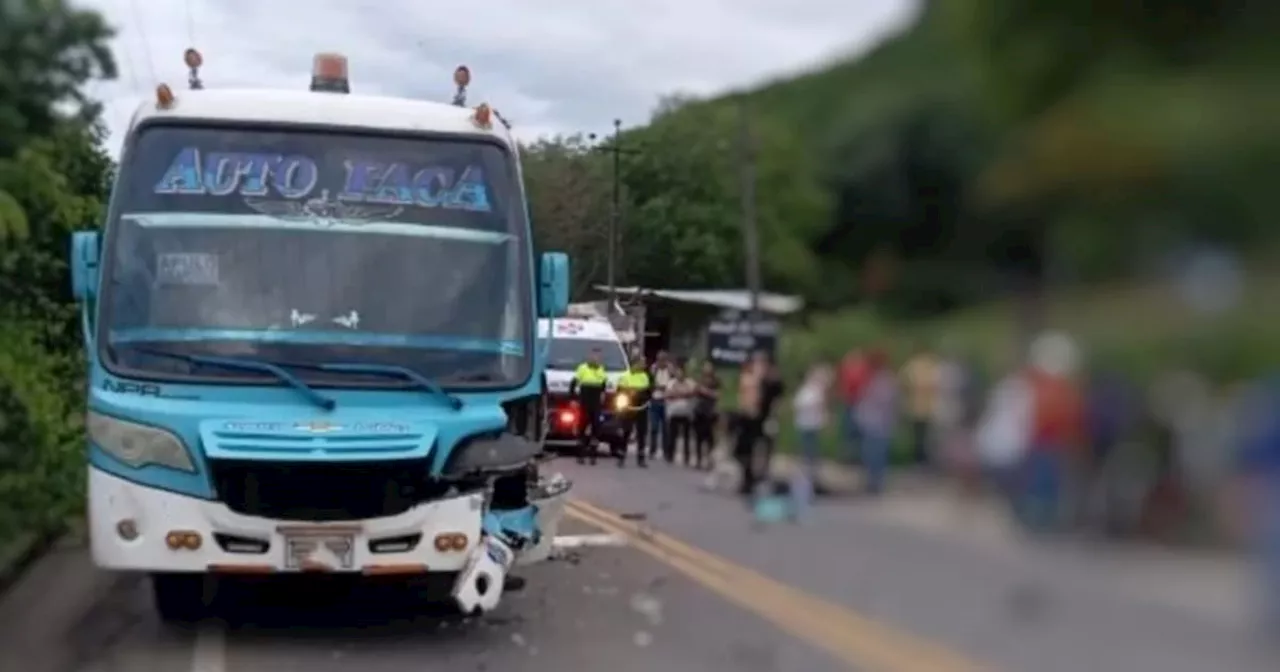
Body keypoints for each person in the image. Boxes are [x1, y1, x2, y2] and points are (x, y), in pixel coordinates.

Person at [856, 349, 898, 495]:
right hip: (875, 422)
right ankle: (873, 482)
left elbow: (885, 401)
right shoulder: (880, 379)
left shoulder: (881, 380)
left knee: (875, 453)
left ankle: (875, 482)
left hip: (877, 422)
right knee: (873, 453)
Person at [793, 362, 834, 488]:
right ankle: (810, 475)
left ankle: (811, 476)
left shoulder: (814, 392)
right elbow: (798, 404)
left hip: (811, 425)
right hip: (806, 425)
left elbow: (817, 407)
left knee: (810, 451)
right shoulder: (808, 391)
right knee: (809, 451)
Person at [901, 344, 941, 467]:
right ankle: (926, 459)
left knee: (917, 435)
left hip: (915, 407)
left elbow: (903, 381)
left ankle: (918, 458)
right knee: (928, 435)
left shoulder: (911, 365)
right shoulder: (932, 364)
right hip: (929, 407)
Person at [568, 346, 608, 465]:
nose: (596, 358)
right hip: (585, 400)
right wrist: (573, 398)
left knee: (596, 427)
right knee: (582, 427)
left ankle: (593, 455)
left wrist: (603, 394)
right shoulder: (582, 368)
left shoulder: (601, 369)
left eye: (598, 356)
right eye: (594, 355)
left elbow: (603, 384)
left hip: (596, 402)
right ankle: (580, 454)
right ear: (589, 357)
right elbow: (573, 384)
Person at [616, 355, 652, 468]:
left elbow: (647, 391)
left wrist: (636, 392)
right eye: (642, 363)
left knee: (642, 433)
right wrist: (631, 392)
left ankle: (641, 458)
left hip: (642, 408)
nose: (644, 365)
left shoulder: (645, 376)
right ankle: (621, 457)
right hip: (628, 408)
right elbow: (620, 391)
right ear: (635, 364)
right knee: (626, 432)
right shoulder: (625, 376)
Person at [837, 348, 870, 463]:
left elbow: (851, 386)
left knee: (854, 432)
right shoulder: (859, 369)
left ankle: (855, 457)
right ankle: (853, 457)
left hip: (857, 403)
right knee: (851, 432)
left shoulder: (858, 370)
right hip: (853, 403)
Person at [664, 365, 697, 465]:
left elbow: (692, 392)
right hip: (674, 412)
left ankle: (687, 457)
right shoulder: (671, 383)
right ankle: (670, 455)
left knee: (687, 436)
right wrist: (682, 393)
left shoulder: (690, 383)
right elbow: (668, 394)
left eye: (681, 372)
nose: (680, 374)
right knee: (672, 435)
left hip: (686, 413)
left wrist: (677, 393)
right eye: (678, 372)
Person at [693, 361, 721, 470]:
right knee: (698, 437)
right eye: (705, 367)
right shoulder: (700, 380)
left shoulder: (716, 381)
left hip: (710, 412)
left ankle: (710, 461)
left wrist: (706, 391)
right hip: (699, 411)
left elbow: (717, 395)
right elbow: (695, 391)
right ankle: (699, 460)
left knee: (710, 439)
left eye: (708, 367)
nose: (706, 369)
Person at [648, 351, 676, 460]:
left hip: (666, 401)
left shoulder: (670, 369)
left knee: (666, 429)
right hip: (655, 400)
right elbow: (651, 383)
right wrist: (656, 387)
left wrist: (664, 388)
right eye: (659, 360)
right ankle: (652, 450)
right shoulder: (653, 369)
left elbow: (672, 383)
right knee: (654, 427)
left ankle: (666, 452)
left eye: (663, 360)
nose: (661, 362)